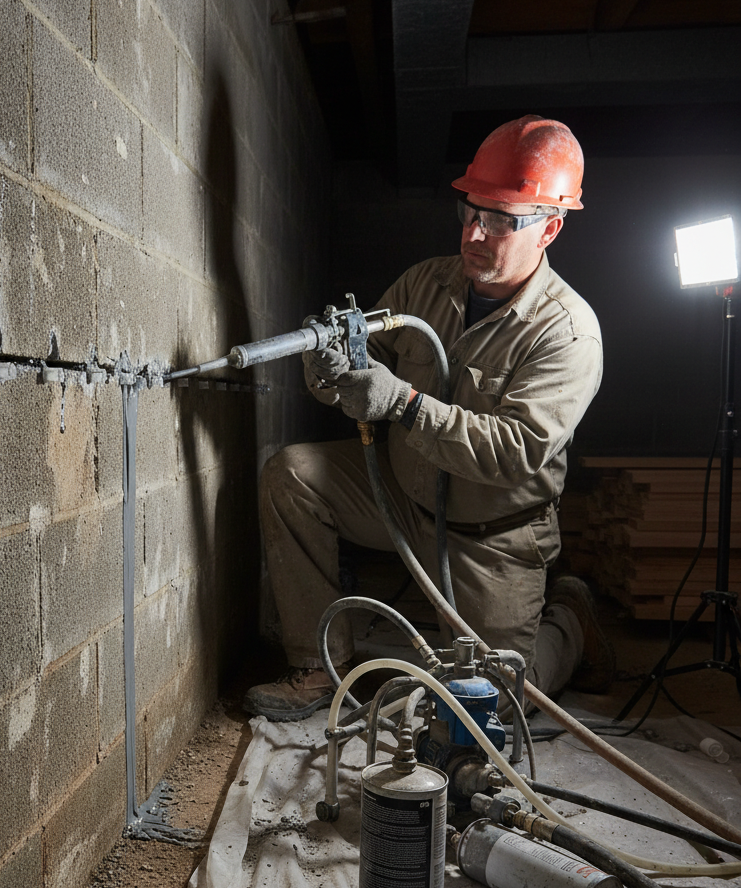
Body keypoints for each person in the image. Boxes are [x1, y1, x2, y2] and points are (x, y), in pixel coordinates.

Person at [244, 115, 615, 721]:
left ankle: (570, 622)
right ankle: (318, 664)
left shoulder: (567, 332)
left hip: (489, 537)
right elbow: (368, 361)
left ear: (549, 227)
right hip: (402, 494)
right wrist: (331, 367)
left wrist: (403, 402)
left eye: (501, 219)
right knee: (292, 475)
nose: (474, 233)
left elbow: (515, 451)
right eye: (469, 211)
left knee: (494, 705)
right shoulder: (426, 284)